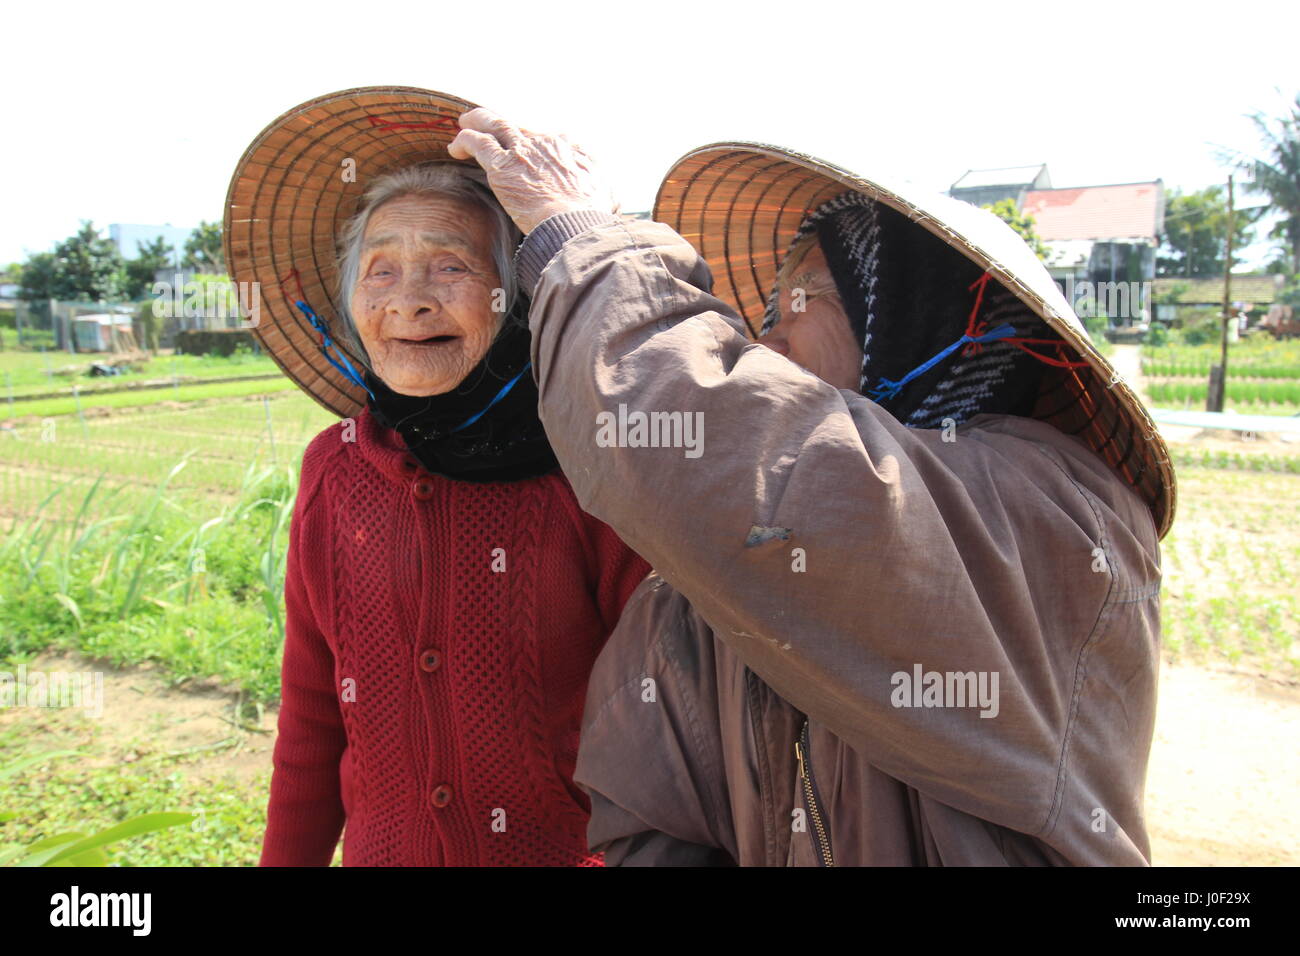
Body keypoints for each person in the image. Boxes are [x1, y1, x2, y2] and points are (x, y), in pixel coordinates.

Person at [450, 112, 1175, 865]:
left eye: (804, 300)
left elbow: (709, 440)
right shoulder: (705, 596)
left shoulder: (1050, 510)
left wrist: (581, 244)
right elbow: (651, 803)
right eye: (765, 311)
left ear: (917, 317)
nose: (768, 342)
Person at [224, 88, 648, 866]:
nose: (409, 302)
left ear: (515, 300)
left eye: (450, 265)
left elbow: (666, 738)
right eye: (381, 270)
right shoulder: (333, 470)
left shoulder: (594, 474)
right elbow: (313, 722)